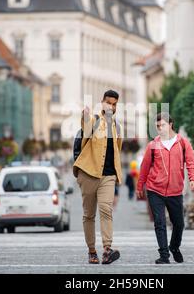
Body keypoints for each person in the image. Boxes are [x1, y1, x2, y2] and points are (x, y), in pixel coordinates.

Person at [137, 112, 194, 264]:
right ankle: (164, 255)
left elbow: (191, 162)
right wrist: (140, 186)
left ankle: (174, 247)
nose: (160, 128)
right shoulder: (153, 146)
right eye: (157, 126)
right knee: (159, 221)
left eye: (162, 125)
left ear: (170, 124)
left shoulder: (183, 143)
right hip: (155, 189)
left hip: (175, 191)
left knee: (179, 223)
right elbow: (144, 167)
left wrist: (193, 179)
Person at [73, 90, 123, 265]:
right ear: (102, 103)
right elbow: (85, 127)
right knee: (89, 215)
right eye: (108, 103)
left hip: (108, 176)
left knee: (106, 209)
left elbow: (117, 149)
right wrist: (84, 115)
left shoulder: (117, 126)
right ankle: (92, 251)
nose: (111, 106)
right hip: (88, 174)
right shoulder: (94, 121)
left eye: (115, 103)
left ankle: (107, 250)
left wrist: (117, 174)